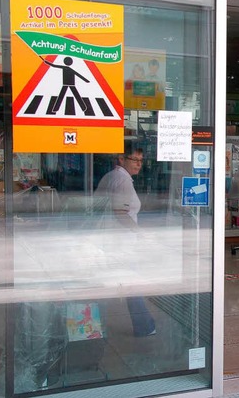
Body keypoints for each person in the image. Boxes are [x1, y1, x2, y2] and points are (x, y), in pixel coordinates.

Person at [95, 143, 156, 337]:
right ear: (122, 159)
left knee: (121, 285)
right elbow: (120, 212)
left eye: (141, 161)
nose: (139, 164)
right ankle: (144, 325)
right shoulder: (123, 180)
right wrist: (140, 232)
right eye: (134, 160)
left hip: (110, 241)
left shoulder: (111, 177)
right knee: (131, 285)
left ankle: (100, 325)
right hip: (120, 244)